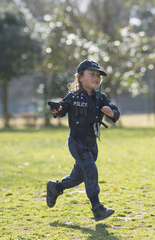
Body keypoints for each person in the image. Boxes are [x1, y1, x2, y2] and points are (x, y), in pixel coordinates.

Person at [46, 59, 120, 221]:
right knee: (91, 170)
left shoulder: (101, 98)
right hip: (77, 142)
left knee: (78, 177)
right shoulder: (73, 96)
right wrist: (57, 108)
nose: (96, 78)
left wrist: (111, 112)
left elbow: (115, 112)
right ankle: (97, 208)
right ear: (79, 77)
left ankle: (55, 187)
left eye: (98, 75)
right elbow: (62, 107)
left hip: (92, 144)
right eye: (92, 74)